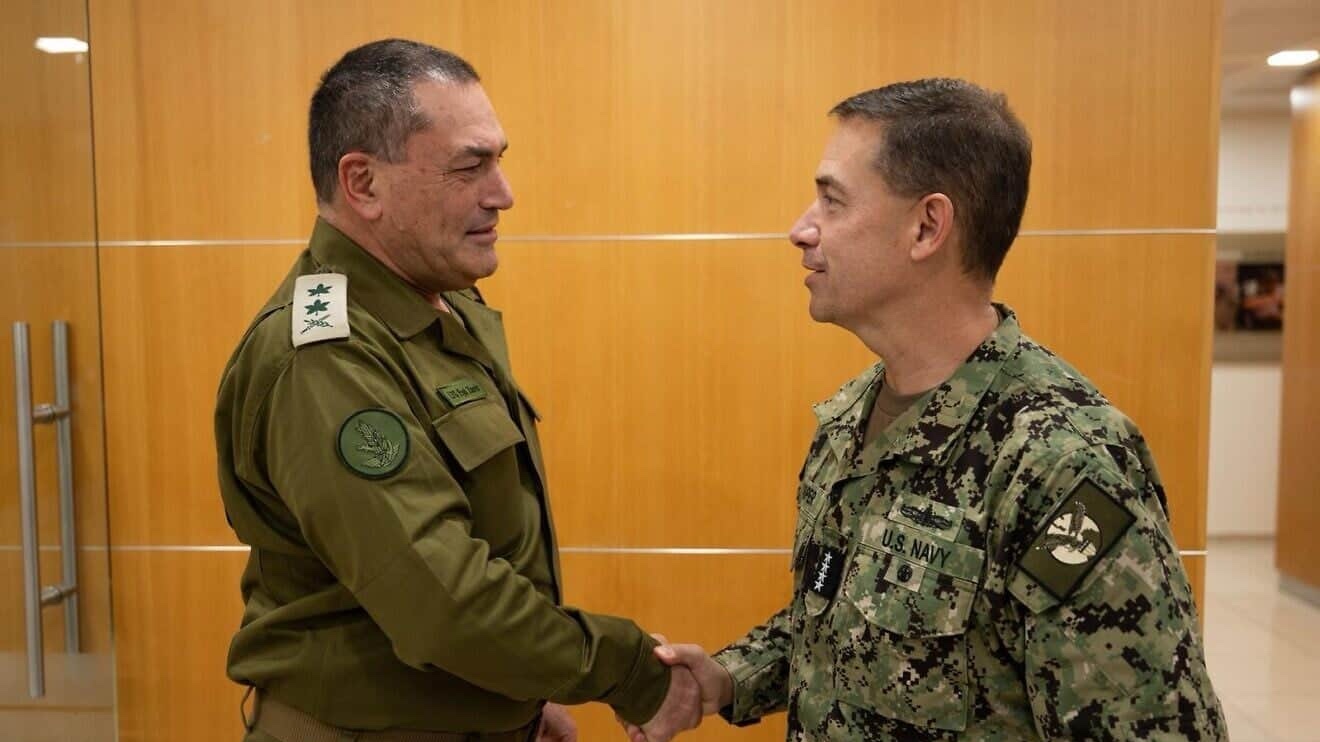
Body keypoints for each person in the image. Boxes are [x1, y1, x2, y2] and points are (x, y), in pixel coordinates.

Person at [635, 79, 1227, 740]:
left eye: (831, 200)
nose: (801, 230)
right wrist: (729, 678)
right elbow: (852, 620)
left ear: (926, 227)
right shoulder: (853, 419)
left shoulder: (1061, 462)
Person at [215, 39, 700, 742]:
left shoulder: (440, 302)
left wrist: (519, 699)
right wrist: (631, 670)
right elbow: (444, 603)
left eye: (498, 160)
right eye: (470, 167)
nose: (503, 194)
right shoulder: (327, 355)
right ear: (364, 184)